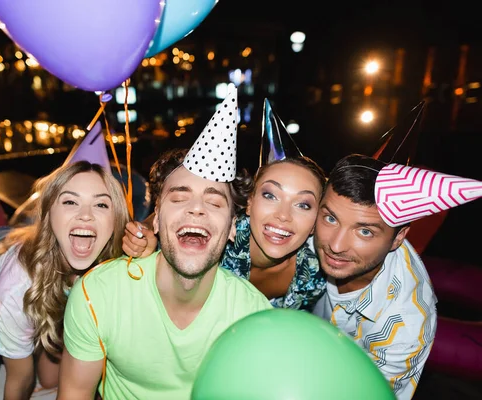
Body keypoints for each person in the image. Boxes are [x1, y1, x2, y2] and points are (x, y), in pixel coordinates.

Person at [58, 86, 272, 400]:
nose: (196, 208)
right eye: (179, 197)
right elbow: (75, 394)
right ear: (156, 220)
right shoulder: (98, 295)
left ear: (231, 228)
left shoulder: (254, 316)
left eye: (214, 203)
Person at [123, 99, 327, 310]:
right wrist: (146, 230)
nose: (283, 215)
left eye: (303, 205)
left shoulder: (317, 273)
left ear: (315, 222)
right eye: (270, 195)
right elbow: (178, 208)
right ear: (249, 203)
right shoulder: (217, 233)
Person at [0, 161, 129, 400]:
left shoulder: (118, 261)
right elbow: (19, 380)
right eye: (70, 201)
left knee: (49, 378)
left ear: (116, 220)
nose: (86, 215)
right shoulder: (16, 287)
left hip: (27, 241)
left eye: (100, 204)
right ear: (48, 215)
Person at [310, 154, 437, 400]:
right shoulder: (306, 226)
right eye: (331, 218)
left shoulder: (405, 326)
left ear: (398, 237)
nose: (335, 245)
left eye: (365, 231)